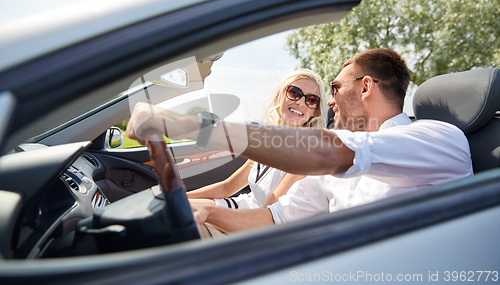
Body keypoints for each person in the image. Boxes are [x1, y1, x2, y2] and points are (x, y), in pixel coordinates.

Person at [126, 48, 473, 235]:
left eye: (333, 90)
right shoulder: (335, 165)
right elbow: (276, 218)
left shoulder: (437, 138)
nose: (329, 102)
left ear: (366, 87)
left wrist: (183, 124)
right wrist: (205, 211)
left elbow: (328, 151)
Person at [187, 69, 327, 209]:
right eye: (294, 93)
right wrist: (182, 198)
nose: (301, 102)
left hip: (255, 220)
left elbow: (267, 213)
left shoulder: (305, 153)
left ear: (314, 111)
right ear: (281, 95)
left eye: (311, 99)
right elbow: (227, 187)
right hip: (243, 206)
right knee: (177, 209)